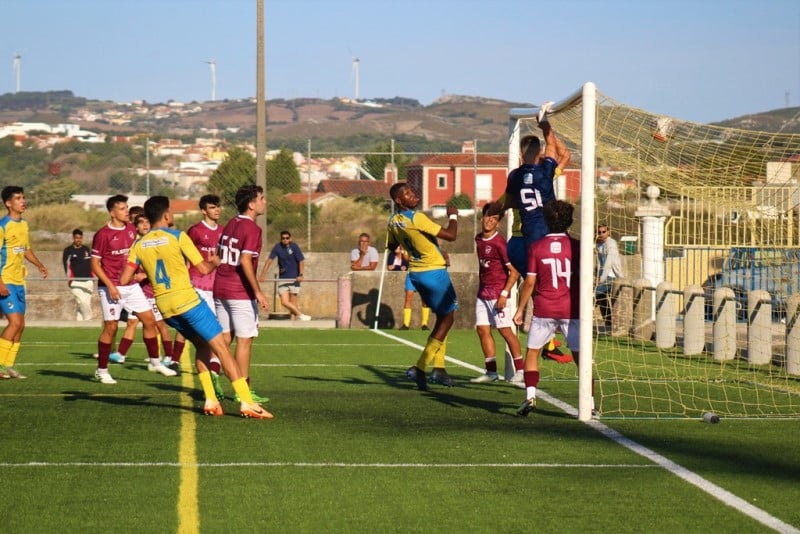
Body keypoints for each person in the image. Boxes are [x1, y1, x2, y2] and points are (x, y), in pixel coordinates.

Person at [120, 195, 272, 419]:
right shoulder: (178, 236)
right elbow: (202, 269)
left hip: (165, 307)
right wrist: (215, 262)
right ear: (166, 215)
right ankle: (247, 402)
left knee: (201, 346)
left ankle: (211, 399)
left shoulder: (139, 245)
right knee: (221, 348)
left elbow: (124, 279)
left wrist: (148, 274)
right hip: (188, 301)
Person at [513, 200, 590, 416]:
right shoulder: (577, 246)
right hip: (571, 309)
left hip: (544, 309)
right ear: (570, 221)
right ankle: (590, 403)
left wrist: (520, 309)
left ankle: (530, 396)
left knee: (533, 353)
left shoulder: (536, 247)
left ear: (546, 220)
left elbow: (529, 282)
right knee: (581, 357)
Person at [90, 194, 176, 384]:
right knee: (111, 327)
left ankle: (155, 362)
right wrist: (111, 286)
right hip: (110, 287)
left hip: (131, 286)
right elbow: (95, 265)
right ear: (112, 212)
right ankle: (102, 370)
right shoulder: (103, 235)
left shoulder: (131, 229)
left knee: (149, 320)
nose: (126, 211)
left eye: (127, 207)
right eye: (122, 208)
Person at [387, 182, 459, 391]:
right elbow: (451, 235)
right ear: (399, 201)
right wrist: (453, 216)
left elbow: (392, 246)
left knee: (441, 318)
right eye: (407, 194)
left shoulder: (393, 221)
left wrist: (418, 241)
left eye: (412, 190)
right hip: (433, 272)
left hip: (416, 273)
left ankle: (439, 368)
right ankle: (420, 367)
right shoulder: (416, 217)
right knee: (448, 318)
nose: (413, 194)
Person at [214, 185, 271, 404]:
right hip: (239, 291)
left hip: (221, 287)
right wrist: (257, 291)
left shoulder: (231, 223)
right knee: (245, 341)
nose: (264, 202)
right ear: (251, 204)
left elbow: (219, 255)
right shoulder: (252, 229)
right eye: (261, 198)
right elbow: (245, 260)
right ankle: (243, 390)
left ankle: (211, 373)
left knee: (224, 339)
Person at [172, 194, 224, 396]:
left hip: (216, 288)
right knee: (192, 331)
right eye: (212, 207)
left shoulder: (223, 231)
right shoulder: (195, 231)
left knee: (217, 335)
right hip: (197, 286)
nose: (217, 210)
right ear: (204, 210)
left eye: (218, 206)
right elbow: (184, 255)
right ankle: (175, 360)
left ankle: (213, 376)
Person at [470, 203, 525, 385]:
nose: (489, 221)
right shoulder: (478, 239)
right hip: (482, 293)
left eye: (493, 219)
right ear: (482, 217)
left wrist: (504, 294)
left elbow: (514, 272)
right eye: (487, 217)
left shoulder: (500, 243)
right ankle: (491, 372)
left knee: (505, 331)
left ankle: (521, 371)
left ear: (498, 223)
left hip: (497, 294)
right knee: (482, 330)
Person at [0, 186, 48, 379]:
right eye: (18, 198)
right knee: (15, 322)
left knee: (21, 325)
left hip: (19, 281)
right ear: (8, 203)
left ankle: (9, 365)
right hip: (6, 281)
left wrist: (39, 264)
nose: (23, 201)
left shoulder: (23, 224)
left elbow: (25, 249)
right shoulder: (3, 225)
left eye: (23, 198)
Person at [132, 212, 176, 371]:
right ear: (135, 226)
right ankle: (153, 358)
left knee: (160, 324)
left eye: (147, 222)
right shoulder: (136, 244)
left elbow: (161, 266)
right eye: (141, 222)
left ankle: (169, 357)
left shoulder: (154, 242)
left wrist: (145, 274)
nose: (145, 225)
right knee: (144, 324)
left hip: (154, 290)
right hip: (138, 292)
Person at [258, 231, 311, 321]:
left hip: (295, 278)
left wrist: (301, 274)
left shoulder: (294, 247)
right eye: (283, 238)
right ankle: (301, 315)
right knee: (284, 302)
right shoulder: (277, 247)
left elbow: (301, 261)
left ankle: (293, 322)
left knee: (293, 302)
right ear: (281, 239)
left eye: (287, 238)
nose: (285, 240)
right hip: (283, 278)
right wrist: (263, 274)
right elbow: (269, 261)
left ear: (290, 238)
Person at [388, 243, 430, 331]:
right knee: (408, 297)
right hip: (411, 275)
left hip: (424, 275)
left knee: (425, 300)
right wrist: (403, 251)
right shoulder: (409, 246)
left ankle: (424, 324)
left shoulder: (424, 247)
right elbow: (407, 259)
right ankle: (406, 324)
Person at [596, 223, 624, 333]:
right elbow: (599, 263)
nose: (602, 234)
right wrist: (598, 275)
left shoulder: (611, 244)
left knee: (595, 295)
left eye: (604, 231)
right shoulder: (599, 245)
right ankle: (609, 324)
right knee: (601, 298)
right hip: (604, 276)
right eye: (599, 232)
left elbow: (608, 263)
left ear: (608, 232)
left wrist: (601, 279)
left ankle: (580, 321)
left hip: (612, 276)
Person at [62, 228, 94, 321]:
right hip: (75, 281)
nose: (78, 240)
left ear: (82, 238)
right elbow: (66, 265)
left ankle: (80, 322)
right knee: (81, 302)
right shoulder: (68, 250)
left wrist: (93, 277)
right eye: (76, 238)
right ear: (73, 238)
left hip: (88, 281)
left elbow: (91, 263)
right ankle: (89, 319)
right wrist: (69, 279)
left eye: (80, 238)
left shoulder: (86, 249)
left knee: (86, 302)